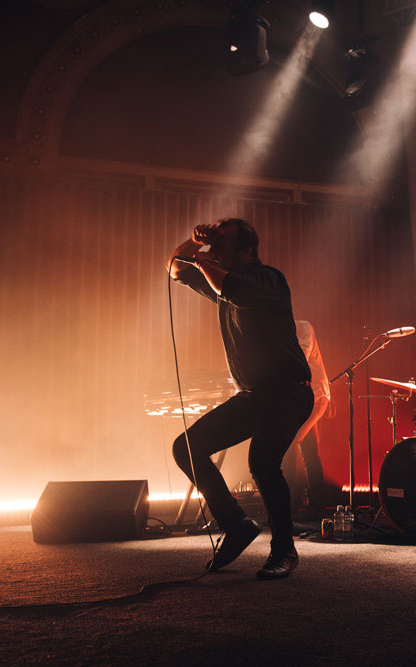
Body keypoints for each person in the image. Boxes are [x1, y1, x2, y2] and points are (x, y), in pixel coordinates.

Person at [167, 217, 314, 579]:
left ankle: (285, 551)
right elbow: (174, 270)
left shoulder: (268, 280)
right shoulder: (219, 279)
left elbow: (230, 289)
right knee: (187, 446)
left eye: (223, 243)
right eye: (214, 243)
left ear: (247, 251)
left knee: (263, 461)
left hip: (289, 392)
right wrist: (193, 243)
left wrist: (205, 259)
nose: (214, 249)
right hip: (254, 395)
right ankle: (236, 524)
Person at [281, 320, 331, 517]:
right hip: (301, 397)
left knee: (289, 443)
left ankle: (288, 507)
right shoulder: (279, 333)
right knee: (309, 451)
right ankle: (315, 506)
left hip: (315, 395)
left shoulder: (303, 328)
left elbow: (300, 359)